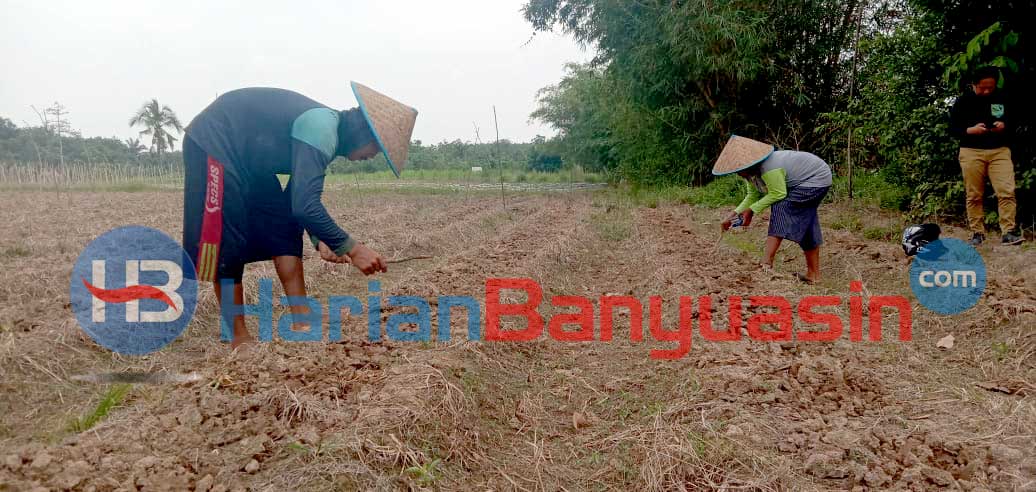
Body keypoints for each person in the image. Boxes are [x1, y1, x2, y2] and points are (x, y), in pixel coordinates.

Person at [182, 83, 418, 349]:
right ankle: (239, 338)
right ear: (366, 134)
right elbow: (306, 205)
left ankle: (302, 319)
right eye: (376, 149)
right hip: (216, 141)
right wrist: (354, 249)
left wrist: (321, 239)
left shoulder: (326, 133)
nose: (372, 156)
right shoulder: (322, 126)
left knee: (283, 225)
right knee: (227, 239)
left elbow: (299, 197)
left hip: (253, 160)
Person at [714, 136, 833, 284]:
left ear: (749, 163)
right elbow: (752, 196)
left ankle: (766, 263)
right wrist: (732, 216)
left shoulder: (769, 166)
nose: (738, 174)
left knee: (781, 207)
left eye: (740, 170)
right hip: (808, 182)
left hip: (815, 180)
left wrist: (751, 211)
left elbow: (778, 193)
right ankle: (813, 275)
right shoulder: (752, 174)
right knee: (807, 224)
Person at [949, 66, 1023, 246]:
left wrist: (1004, 125)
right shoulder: (963, 102)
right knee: (974, 194)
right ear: (974, 85)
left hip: (1000, 150)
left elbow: (1016, 120)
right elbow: (952, 129)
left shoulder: (1003, 98)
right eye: (983, 87)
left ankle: (1009, 232)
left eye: (991, 87)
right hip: (971, 151)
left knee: (1006, 191)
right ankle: (977, 233)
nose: (987, 90)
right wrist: (970, 130)